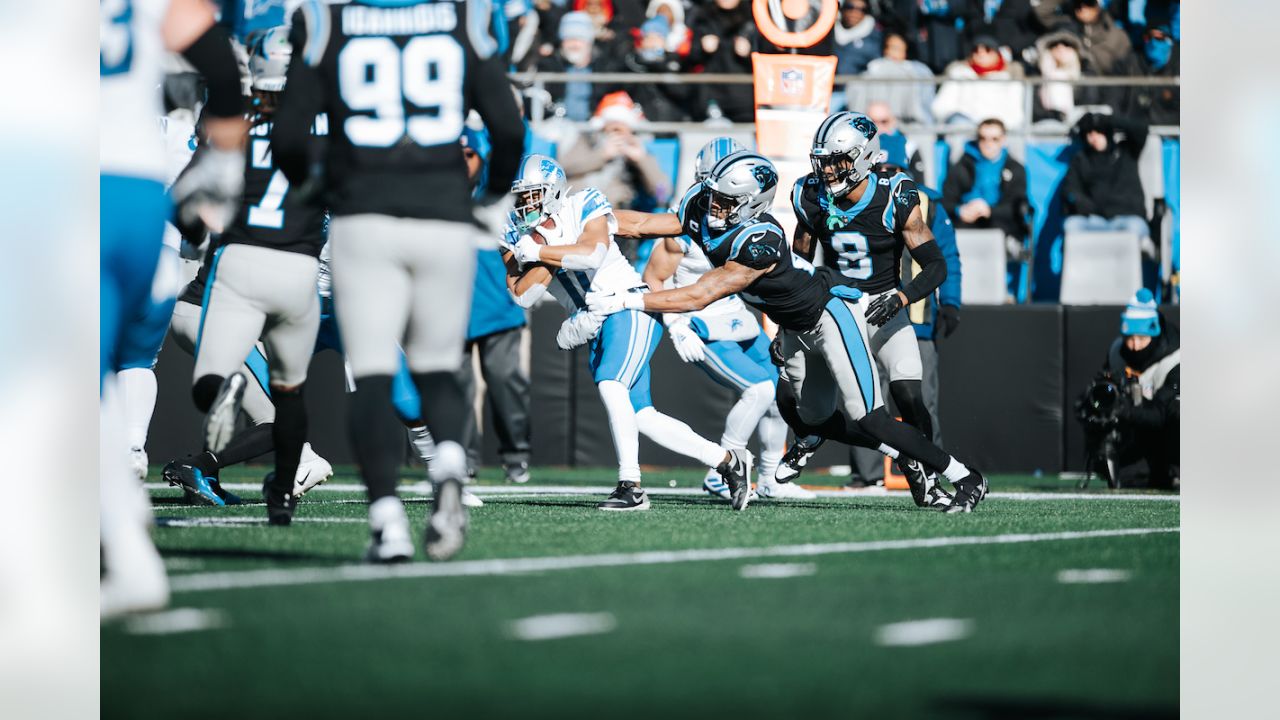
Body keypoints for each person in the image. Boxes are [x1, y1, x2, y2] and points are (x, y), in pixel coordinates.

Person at [271, 0, 525, 562]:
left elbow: (288, 135)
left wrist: (316, 191)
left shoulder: (323, 18)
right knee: (436, 365)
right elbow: (508, 126)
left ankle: (387, 522)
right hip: (441, 213)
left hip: (364, 215)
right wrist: (488, 199)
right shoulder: (467, 14)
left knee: (374, 375)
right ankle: (452, 464)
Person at [596, 150, 988, 513]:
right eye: (714, 196)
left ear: (753, 203)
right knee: (812, 419)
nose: (714, 205)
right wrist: (594, 217)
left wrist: (628, 300)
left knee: (868, 416)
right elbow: (645, 224)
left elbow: (700, 294)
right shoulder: (704, 204)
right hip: (794, 326)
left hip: (830, 316)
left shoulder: (759, 239)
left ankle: (965, 477)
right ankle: (902, 452)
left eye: (727, 201)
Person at [101, 0, 249, 617]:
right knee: (115, 363)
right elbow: (219, 57)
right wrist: (218, 166)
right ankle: (123, 508)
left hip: (65, 185)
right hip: (141, 205)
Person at [501, 155, 753, 511]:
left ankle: (630, 486)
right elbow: (521, 294)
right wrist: (539, 251)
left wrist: (539, 249)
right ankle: (728, 461)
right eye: (521, 197)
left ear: (554, 191)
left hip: (627, 306)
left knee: (611, 385)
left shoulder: (582, 203)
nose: (525, 204)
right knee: (642, 417)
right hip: (592, 321)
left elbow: (593, 253)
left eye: (533, 195)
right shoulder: (516, 233)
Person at [784, 111, 968, 509]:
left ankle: (930, 474)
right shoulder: (809, 195)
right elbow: (797, 266)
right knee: (858, 408)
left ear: (865, 156)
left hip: (886, 302)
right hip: (837, 309)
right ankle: (847, 453)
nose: (830, 170)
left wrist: (902, 298)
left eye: (839, 160)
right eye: (825, 160)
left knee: (909, 396)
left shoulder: (896, 193)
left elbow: (937, 264)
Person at [641, 138, 814, 501]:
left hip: (736, 315)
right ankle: (724, 469)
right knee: (759, 389)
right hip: (699, 322)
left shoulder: (747, 223)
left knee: (781, 393)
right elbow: (653, 276)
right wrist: (675, 326)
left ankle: (770, 477)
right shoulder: (688, 221)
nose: (717, 202)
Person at [848, 166, 961, 485]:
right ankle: (867, 475)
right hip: (864, 313)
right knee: (868, 402)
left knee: (917, 398)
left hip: (917, 314)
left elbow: (946, 258)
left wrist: (950, 303)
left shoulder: (927, 201)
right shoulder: (847, 197)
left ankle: (932, 470)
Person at [458, 126, 534, 485]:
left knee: (505, 380)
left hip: (496, 305)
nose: (461, 161)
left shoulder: (496, 189)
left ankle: (516, 455)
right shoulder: (431, 190)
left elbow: (517, 137)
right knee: (457, 388)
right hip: (448, 305)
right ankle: (463, 459)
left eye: (468, 154)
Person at [1090, 289, 1179, 488]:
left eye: (1141, 338)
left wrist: (1126, 410)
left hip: (1169, 436)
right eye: (1130, 338)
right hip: (1137, 438)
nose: (1135, 346)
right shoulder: (1117, 354)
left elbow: (1163, 413)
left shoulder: (1175, 359)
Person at [559, 92, 672, 214]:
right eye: (612, 123)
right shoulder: (588, 140)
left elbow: (663, 192)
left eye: (622, 123)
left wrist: (641, 160)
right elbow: (563, 169)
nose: (617, 128)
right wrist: (602, 155)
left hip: (614, 215)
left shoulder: (638, 149)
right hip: (577, 209)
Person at [1062, 113, 1153, 260]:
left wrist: (1109, 120)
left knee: (1135, 229)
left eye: (1098, 132)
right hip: (1096, 221)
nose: (1094, 138)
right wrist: (1085, 206)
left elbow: (1141, 129)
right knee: (1071, 225)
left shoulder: (1126, 150)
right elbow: (1070, 189)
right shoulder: (1082, 159)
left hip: (1127, 220)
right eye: (1089, 134)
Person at [942, 118, 1029, 262]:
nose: (988, 144)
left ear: (1003, 140)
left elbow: (1016, 206)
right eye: (983, 138)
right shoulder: (962, 166)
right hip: (966, 223)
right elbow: (946, 201)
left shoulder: (1016, 169)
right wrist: (960, 210)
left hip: (1001, 224)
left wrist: (989, 211)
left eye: (994, 139)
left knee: (998, 228)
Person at [931, 35, 1027, 129]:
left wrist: (993, 127)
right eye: (975, 50)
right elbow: (941, 106)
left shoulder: (1011, 78)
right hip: (965, 127)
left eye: (987, 49)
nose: (981, 53)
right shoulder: (959, 74)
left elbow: (1016, 114)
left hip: (999, 130)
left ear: (997, 53)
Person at [536, 11, 613, 121]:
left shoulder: (605, 65)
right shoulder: (549, 65)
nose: (573, 44)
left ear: (589, 42)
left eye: (579, 39)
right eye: (568, 39)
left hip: (595, 126)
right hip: (558, 126)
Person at [687, 0, 756, 123]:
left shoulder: (752, 19)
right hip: (712, 96)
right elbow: (691, 60)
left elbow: (766, 57)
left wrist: (748, 54)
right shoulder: (703, 18)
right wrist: (703, 49)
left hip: (743, 99)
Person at [849, 32, 935, 125]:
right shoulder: (874, 68)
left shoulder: (919, 72)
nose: (890, 52)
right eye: (888, 47)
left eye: (896, 48)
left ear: (906, 50)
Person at [1033, 0, 1134, 76]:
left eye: (1089, 3)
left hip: (1104, 93)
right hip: (1072, 91)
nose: (1083, 8)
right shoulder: (1065, 26)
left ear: (1098, 6)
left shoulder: (1117, 36)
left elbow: (1124, 73)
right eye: (1077, 4)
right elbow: (1040, 13)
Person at [865, 101, 925, 183]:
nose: (878, 127)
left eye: (884, 122)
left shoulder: (908, 147)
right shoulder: (860, 147)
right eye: (873, 122)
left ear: (892, 121)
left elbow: (918, 184)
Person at [833, 0, 882, 76]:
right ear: (842, 9)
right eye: (850, 7)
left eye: (861, 9)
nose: (854, 12)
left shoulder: (874, 37)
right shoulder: (827, 30)